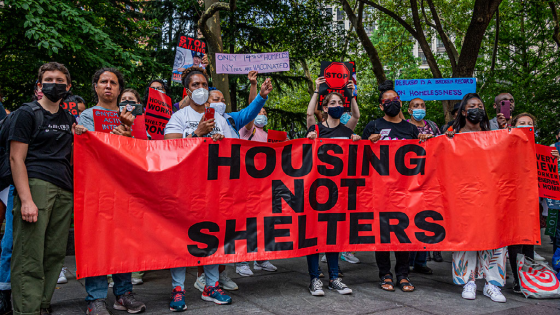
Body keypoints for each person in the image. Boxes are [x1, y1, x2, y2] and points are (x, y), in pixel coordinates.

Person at [8, 62, 77, 315]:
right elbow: (16, 159)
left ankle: (42, 304)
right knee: (29, 253)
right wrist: (26, 200)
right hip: (36, 185)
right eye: (49, 79)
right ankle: (27, 309)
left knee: (54, 253)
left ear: (68, 87)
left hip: (64, 189)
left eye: (60, 81)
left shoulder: (69, 118)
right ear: (39, 85)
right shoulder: (27, 113)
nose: (55, 84)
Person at [164, 66, 232, 310]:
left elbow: (234, 150)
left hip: (212, 188)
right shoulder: (178, 118)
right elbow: (168, 150)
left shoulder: (220, 120)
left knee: (210, 237)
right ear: (187, 90)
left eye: (204, 84)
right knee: (180, 237)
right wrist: (196, 133)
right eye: (195, 85)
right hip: (182, 188)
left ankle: (211, 286)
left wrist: (222, 142)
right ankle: (178, 289)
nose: (201, 89)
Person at [79, 68, 146, 314]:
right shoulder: (86, 117)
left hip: (124, 189)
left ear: (119, 89)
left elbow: (142, 154)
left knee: (123, 241)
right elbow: (90, 151)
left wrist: (127, 136)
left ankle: (123, 293)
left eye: (113, 83)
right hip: (96, 188)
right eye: (103, 82)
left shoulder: (133, 118)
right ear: (95, 87)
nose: (108, 86)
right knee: (97, 242)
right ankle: (95, 298)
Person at [362, 80, 432, 293]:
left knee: (403, 233)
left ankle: (403, 274)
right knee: (382, 234)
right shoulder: (372, 126)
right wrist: (367, 143)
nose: (392, 103)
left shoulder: (411, 129)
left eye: (396, 100)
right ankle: (385, 274)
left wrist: (424, 142)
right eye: (387, 100)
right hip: (379, 191)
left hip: (405, 192)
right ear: (381, 106)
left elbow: (423, 158)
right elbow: (358, 158)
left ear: (401, 104)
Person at [446, 93, 506, 302]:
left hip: (491, 195)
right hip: (463, 196)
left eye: (480, 106)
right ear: (463, 111)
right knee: (466, 238)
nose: (476, 109)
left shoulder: (496, 136)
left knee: (495, 237)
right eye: (472, 106)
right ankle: (468, 281)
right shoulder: (451, 136)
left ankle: (492, 284)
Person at [305, 91, 361, 296]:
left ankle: (334, 278)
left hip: (338, 193)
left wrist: (352, 95)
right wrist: (316, 92)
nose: (337, 105)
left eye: (340, 102)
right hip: (316, 192)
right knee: (313, 234)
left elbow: (356, 116)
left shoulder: (348, 132)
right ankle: (314, 279)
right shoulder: (316, 130)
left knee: (333, 234)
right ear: (326, 107)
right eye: (332, 103)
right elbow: (310, 114)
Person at [507, 112, 558, 293]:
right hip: (511, 202)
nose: (527, 125)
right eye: (522, 123)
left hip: (531, 203)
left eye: (530, 123)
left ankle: (527, 278)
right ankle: (517, 278)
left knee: (529, 243)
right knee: (515, 242)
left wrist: (556, 160)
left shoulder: (542, 151)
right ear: (514, 126)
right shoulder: (505, 146)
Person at [406, 97, 440, 273]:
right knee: (410, 220)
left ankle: (421, 261)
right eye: (416, 106)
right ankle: (408, 260)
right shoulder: (405, 126)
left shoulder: (433, 127)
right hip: (410, 180)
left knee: (425, 219)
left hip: (429, 179)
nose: (420, 108)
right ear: (409, 110)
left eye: (422, 106)